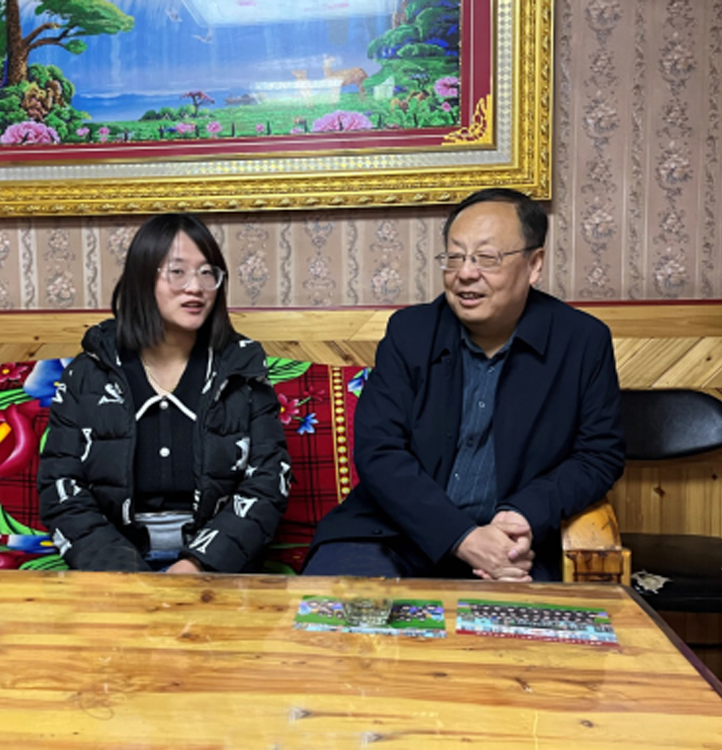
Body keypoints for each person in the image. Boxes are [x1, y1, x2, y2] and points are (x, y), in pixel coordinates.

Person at [303, 188, 624, 581]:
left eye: (486, 258)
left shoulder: (582, 341)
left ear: (534, 264)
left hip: (514, 543)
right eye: (455, 257)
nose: (466, 273)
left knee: (532, 620)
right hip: (390, 534)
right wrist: (461, 536)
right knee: (338, 612)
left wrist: (523, 514)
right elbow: (378, 450)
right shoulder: (410, 332)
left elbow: (598, 455)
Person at [38, 213, 291, 574]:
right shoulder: (89, 372)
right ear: (142, 278)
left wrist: (197, 565)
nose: (196, 287)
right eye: (178, 272)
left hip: (217, 563)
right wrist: (123, 571)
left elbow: (268, 483)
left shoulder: (242, 370)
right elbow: (61, 488)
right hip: (113, 564)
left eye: (208, 273)